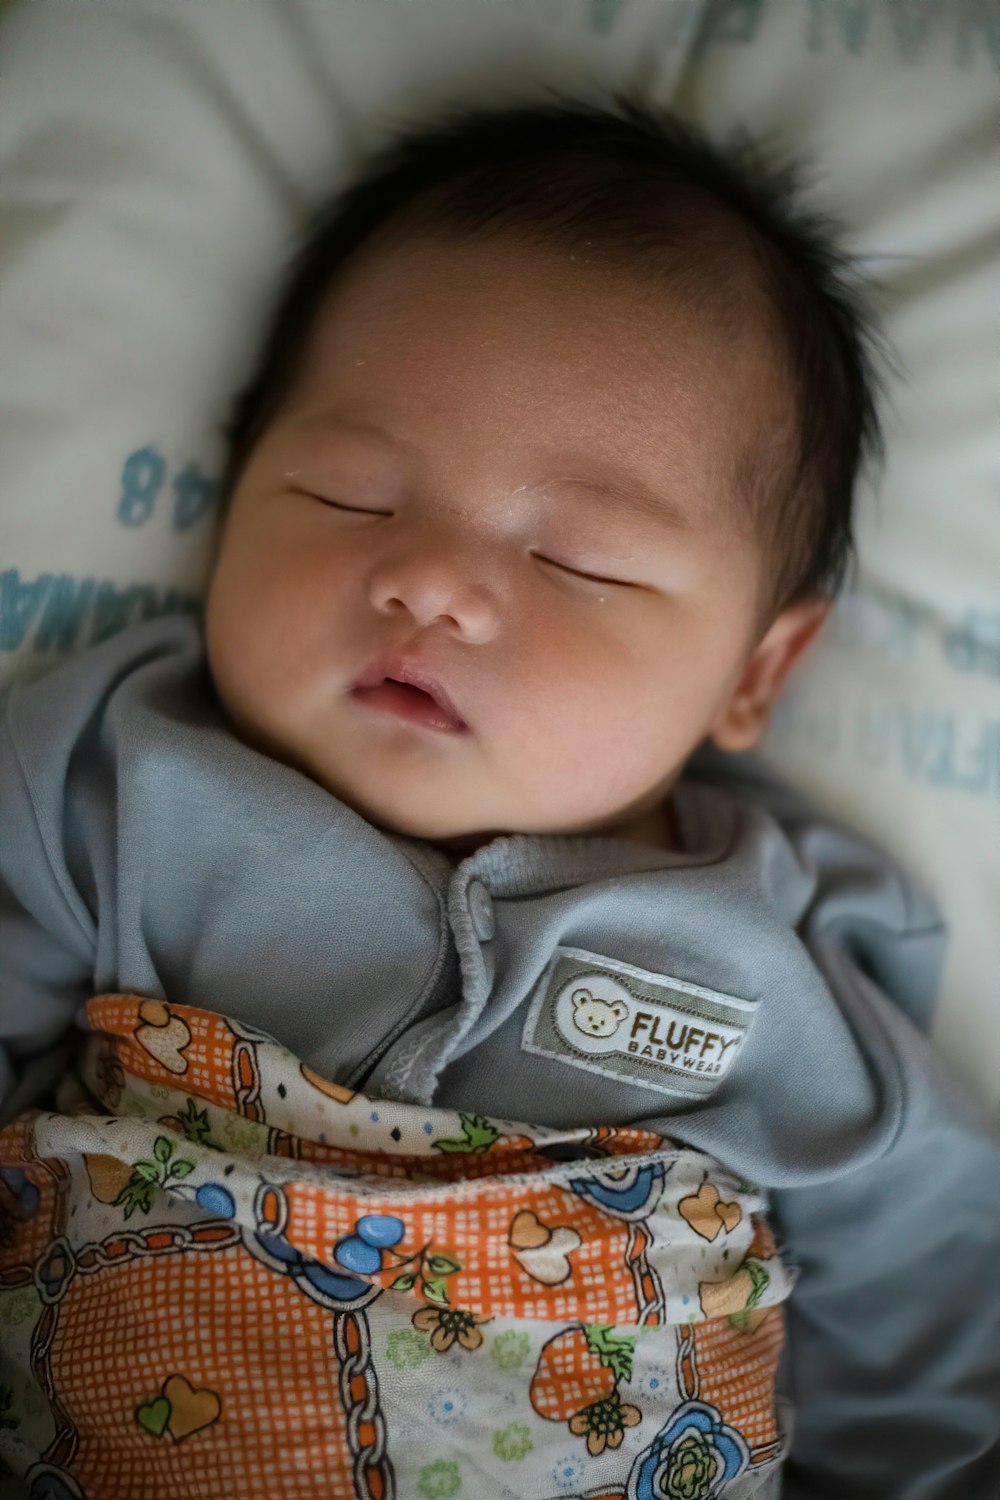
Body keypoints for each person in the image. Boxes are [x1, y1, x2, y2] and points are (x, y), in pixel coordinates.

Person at [0, 95, 997, 1500]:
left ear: (755, 671)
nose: (434, 582)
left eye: (581, 560)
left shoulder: (766, 954)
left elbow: (928, 1255)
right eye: (350, 494)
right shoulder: (119, 783)